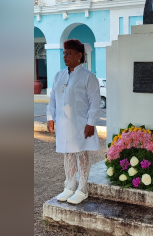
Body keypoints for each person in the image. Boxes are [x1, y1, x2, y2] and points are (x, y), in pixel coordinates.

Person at [47, 39, 101, 205]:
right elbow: (53, 99)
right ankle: (70, 185)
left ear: (79, 55)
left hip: (81, 123)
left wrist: (91, 122)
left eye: (69, 53)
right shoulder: (59, 75)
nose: (65, 56)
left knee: (81, 153)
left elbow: (95, 101)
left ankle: (82, 188)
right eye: (64, 53)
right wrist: (50, 117)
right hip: (63, 124)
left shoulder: (88, 77)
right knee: (67, 153)